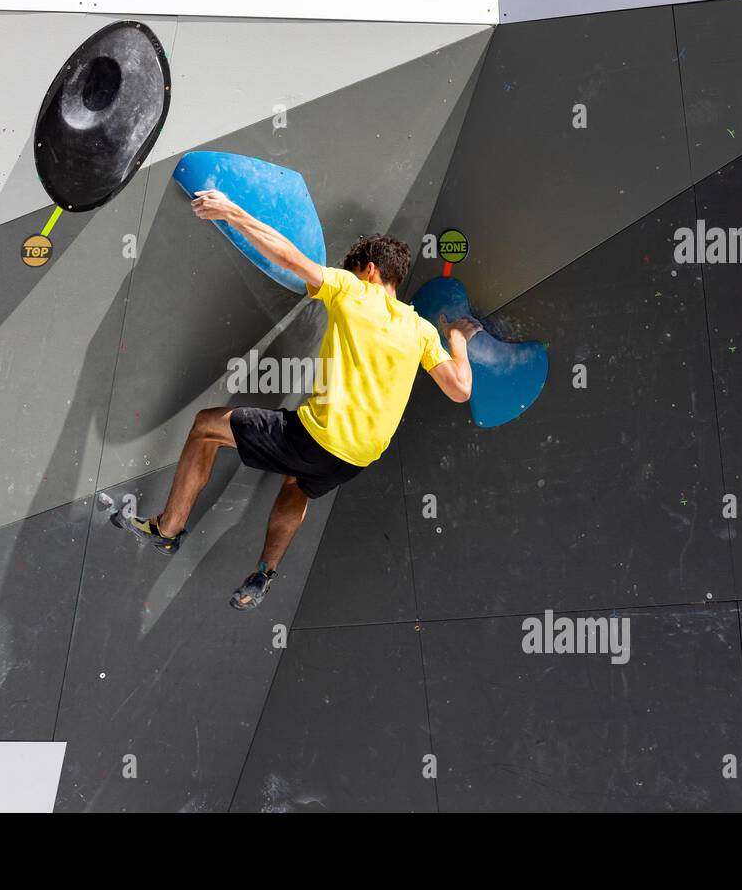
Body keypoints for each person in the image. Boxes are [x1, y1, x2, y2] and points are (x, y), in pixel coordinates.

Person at [112, 189, 480, 609]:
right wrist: (457, 341)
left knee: (205, 426)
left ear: (371, 270)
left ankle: (168, 529)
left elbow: (288, 257)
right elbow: (460, 389)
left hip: (316, 438)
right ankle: (263, 575)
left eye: (354, 269)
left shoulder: (353, 290)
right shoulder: (420, 331)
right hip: (354, 460)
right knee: (297, 485)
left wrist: (232, 212)